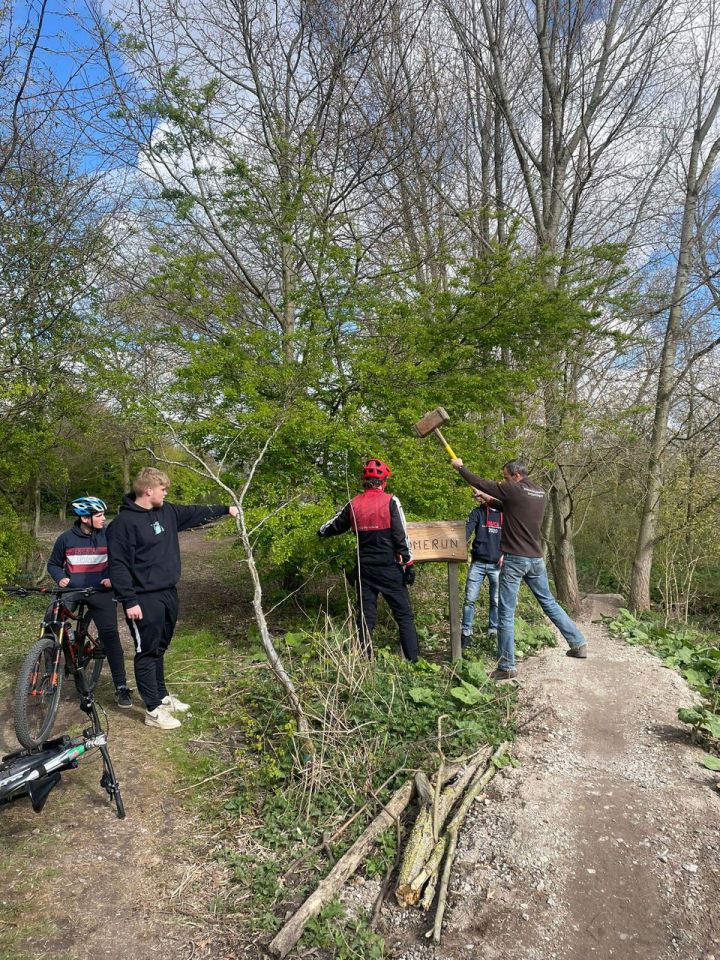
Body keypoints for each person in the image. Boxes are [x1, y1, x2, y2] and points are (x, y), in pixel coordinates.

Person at [106, 467, 238, 730]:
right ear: (148, 490)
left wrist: (226, 509)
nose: (166, 493)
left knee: (160, 647)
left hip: (168, 592)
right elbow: (118, 565)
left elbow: (194, 512)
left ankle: (162, 696)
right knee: (146, 651)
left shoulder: (167, 512)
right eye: (163, 489)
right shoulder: (123, 524)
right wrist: (129, 600)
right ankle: (153, 711)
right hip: (142, 597)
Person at [451, 457, 587, 680]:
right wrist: (486, 499)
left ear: (516, 475)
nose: (504, 481)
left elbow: (481, 481)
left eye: (506, 477)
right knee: (549, 602)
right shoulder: (539, 492)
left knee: (505, 612)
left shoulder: (514, 489)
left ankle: (506, 665)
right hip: (535, 559)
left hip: (515, 560)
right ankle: (578, 643)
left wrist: (460, 468)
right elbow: (507, 507)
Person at [317, 459, 419, 662]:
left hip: (364, 569)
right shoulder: (391, 501)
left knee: (365, 617)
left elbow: (332, 526)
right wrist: (408, 564)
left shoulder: (354, 504)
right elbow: (401, 536)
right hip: (389, 568)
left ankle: (365, 660)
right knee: (404, 616)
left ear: (364, 481)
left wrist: (321, 532)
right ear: (384, 481)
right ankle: (413, 661)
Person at [47, 496, 133, 708]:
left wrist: (113, 578)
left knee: (110, 635)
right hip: (73, 590)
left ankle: (121, 687)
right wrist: (60, 577)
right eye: (99, 515)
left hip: (101, 591)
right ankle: (53, 666)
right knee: (51, 616)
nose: (104, 518)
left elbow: (124, 561)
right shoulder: (65, 539)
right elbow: (53, 564)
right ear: (85, 518)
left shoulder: (109, 537)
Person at [461, 489, 503, 651]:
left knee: (496, 601)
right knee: (469, 600)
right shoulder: (477, 513)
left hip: (497, 566)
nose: (482, 498)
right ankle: (466, 633)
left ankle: (493, 631)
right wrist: (456, 546)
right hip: (478, 563)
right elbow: (465, 532)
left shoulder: (504, 514)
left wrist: (505, 554)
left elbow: (511, 537)